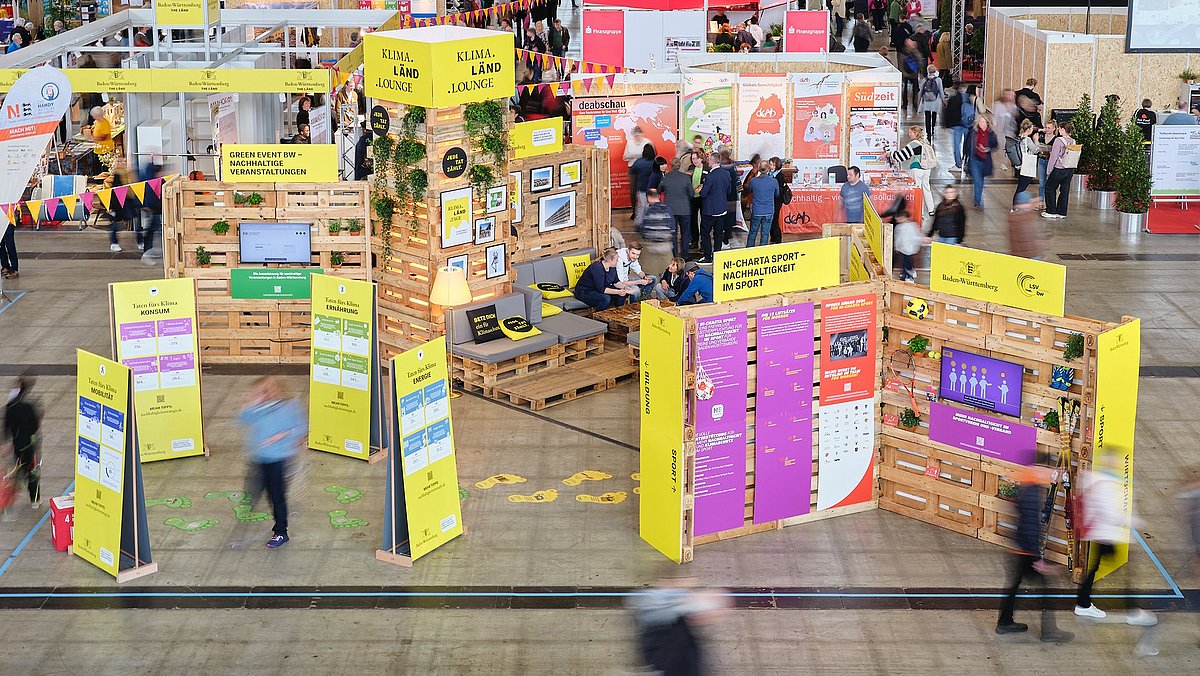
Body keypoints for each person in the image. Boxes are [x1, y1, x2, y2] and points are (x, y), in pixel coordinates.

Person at [1073, 458, 1158, 633]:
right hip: (1108, 535)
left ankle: (1083, 603)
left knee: (1098, 568)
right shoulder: (1107, 484)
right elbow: (1110, 512)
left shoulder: (1095, 480)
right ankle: (1132, 612)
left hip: (1101, 533)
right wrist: (1135, 521)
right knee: (1125, 572)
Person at [996, 455, 1074, 642]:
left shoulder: (1028, 485)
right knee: (1048, 587)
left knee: (1013, 586)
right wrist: (1038, 559)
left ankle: (1004, 622)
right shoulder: (1032, 491)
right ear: (1039, 467)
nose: (1051, 473)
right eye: (1048, 469)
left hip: (1019, 547)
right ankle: (1049, 631)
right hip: (1027, 551)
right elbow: (1031, 525)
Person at [239, 376, 304, 548]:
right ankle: (252, 500)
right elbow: (243, 419)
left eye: (265, 391)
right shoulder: (258, 409)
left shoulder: (287, 408)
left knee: (276, 497)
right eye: (259, 392)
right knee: (255, 487)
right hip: (260, 458)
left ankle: (281, 532)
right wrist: (251, 403)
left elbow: (298, 428)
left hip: (278, 459)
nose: (263, 394)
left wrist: (279, 436)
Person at [4, 376, 41, 510]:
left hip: (17, 445)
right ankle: (35, 500)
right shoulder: (30, 407)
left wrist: (7, 443)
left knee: (16, 472)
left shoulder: (10, 407)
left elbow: (7, 427)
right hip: (30, 444)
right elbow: (35, 425)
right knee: (32, 472)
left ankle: (7, 502)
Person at [888, 126, 936, 216]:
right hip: (927, 169)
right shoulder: (925, 141)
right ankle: (931, 209)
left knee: (917, 189)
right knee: (926, 189)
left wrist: (890, 154)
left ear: (916, 133)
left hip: (917, 169)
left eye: (911, 132)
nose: (909, 134)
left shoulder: (914, 143)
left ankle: (920, 212)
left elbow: (901, 155)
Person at [698, 152, 731, 263]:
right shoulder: (726, 174)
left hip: (710, 211)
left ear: (711, 161)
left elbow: (703, 194)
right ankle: (717, 254)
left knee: (705, 233)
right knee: (718, 233)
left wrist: (701, 188)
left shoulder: (710, 176)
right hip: (722, 209)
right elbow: (729, 190)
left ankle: (708, 256)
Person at [659, 158, 695, 258]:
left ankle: (674, 255)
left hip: (670, 210)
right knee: (685, 233)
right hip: (684, 209)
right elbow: (691, 193)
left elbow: (659, 189)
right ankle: (685, 255)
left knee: (673, 234)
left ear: (670, 166)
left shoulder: (666, 177)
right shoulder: (685, 177)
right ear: (680, 166)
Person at [1043, 122, 1077, 220]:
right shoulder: (1073, 141)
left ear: (1062, 129)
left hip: (1059, 168)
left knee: (1050, 188)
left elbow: (1053, 156)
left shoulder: (1058, 140)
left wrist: (1049, 170)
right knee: (1064, 190)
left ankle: (1051, 211)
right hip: (1069, 169)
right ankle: (1062, 212)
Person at [964, 113, 998, 209]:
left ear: (987, 123)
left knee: (981, 180)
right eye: (980, 121)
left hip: (985, 159)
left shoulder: (991, 134)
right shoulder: (973, 132)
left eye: (983, 122)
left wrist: (987, 149)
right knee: (977, 180)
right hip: (974, 159)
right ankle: (977, 201)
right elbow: (967, 145)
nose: (981, 123)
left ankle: (977, 198)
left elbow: (995, 145)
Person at [745, 160, 779, 247]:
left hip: (757, 210)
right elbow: (777, 194)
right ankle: (762, 253)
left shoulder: (753, 181)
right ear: (768, 169)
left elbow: (749, 191)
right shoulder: (774, 181)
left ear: (759, 169)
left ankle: (748, 252)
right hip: (768, 210)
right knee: (765, 234)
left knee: (752, 233)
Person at [942, 82, 970, 171]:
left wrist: (946, 124)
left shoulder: (953, 99)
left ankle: (958, 165)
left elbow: (948, 112)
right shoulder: (970, 99)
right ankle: (967, 163)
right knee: (968, 145)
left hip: (957, 125)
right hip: (968, 125)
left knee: (957, 145)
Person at [1013, 120, 1041, 207]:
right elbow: (1036, 150)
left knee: (1020, 187)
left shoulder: (1019, 137)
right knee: (1021, 188)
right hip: (1027, 165)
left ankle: (1015, 206)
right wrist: (1036, 140)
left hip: (1020, 165)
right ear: (1028, 129)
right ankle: (1016, 206)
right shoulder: (1027, 139)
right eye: (1032, 128)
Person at [623, 126, 649, 218]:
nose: (637, 137)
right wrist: (633, 156)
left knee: (645, 190)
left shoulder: (647, 142)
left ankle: (647, 211)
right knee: (633, 190)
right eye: (636, 135)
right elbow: (624, 157)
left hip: (644, 169)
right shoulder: (629, 143)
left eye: (639, 135)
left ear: (642, 134)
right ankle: (635, 211)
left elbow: (652, 154)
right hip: (633, 169)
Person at [991, 89, 1018, 172]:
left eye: (1011, 95)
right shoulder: (998, 105)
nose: (1010, 97)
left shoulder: (1014, 106)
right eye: (1008, 95)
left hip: (1010, 130)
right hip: (1000, 130)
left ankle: (1005, 162)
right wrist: (994, 127)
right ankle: (1001, 162)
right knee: (1001, 147)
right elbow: (994, 117)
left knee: (1008, 147)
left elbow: (1015, 118)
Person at [631, 144, 656, 226]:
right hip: (653, 189)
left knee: (641, 207)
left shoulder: (639, 162)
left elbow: (632, 170)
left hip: (642, 188)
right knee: (652, 207)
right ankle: (651, 224)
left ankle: (640, 224)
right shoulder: (655, 162)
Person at [718, 150, 740, 245]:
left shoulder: (720, 166)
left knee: (723, 215)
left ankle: (723, 233)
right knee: (731, 215)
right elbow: (737, 179)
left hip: (723, 194)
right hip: (732, 194)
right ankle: (729, 232)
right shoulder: (733, 165)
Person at [917, 64, 944, 141]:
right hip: (935, 100)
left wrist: (919, 101)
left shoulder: (925, 80)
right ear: (935, 71)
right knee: (934, 115)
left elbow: (921, 90)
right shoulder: (938, 80)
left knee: (927, 116)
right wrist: (943, 100)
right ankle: (932, 130)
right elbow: (941, 91)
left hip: (926, 101)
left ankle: (928, 133)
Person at [687, 151, 707, 252]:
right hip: (692, 198)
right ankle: (694, 240)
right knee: (692, 220)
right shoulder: (691, 168)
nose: (694, 161)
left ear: (701, 158)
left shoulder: (707, 169)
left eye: (696, 158)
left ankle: (704, 242)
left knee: (704, 220)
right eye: (693, 159)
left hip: (703, 198)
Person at [899, 38, 924, 114]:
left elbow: (900, 63)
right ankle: (914, 103)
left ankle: (905, 104)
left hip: (906, 74)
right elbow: (920, 61)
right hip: (914, 74)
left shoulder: (903, 52)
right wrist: (919, 71)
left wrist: (903, 72)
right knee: (915, 89)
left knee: (905, 89)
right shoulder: (915, 51)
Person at [1035, 118, 1057, 201]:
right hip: (1041, 160)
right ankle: (1041, 201)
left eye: (1049, 128)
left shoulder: (1056, 139)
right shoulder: (1041, 137)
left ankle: (1048, 202)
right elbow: (1037, 147)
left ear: (1054, 128)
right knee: (1041, 183)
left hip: (1050, 162)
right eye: (1046, 127)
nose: (1047, 130)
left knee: (1049, 183)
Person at [769, 157, 788, 244]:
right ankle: (772, 237)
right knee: (771, 220)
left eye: (773, 165)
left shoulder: (779, 175)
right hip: (770, 200)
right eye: (770, 164)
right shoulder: (769, 174)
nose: (771, 166)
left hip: (777, 201)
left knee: (774, 220)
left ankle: (777, 239)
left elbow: (780, 190)